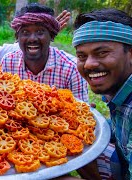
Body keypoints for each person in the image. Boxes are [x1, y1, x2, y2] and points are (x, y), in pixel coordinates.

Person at [71, 8, 132, 180]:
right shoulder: (120, 94)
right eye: (82, 56)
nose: (89, 64)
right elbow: (117, 130)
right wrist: (85, 122)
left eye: (102, 53)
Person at [0, 3, 88, 102]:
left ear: (51, 35)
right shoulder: (8, 62)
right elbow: (3, 100)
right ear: (17, 37)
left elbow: (82, 111)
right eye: (25, 32)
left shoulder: (72, 68)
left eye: (40, 32)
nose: (32, 39)